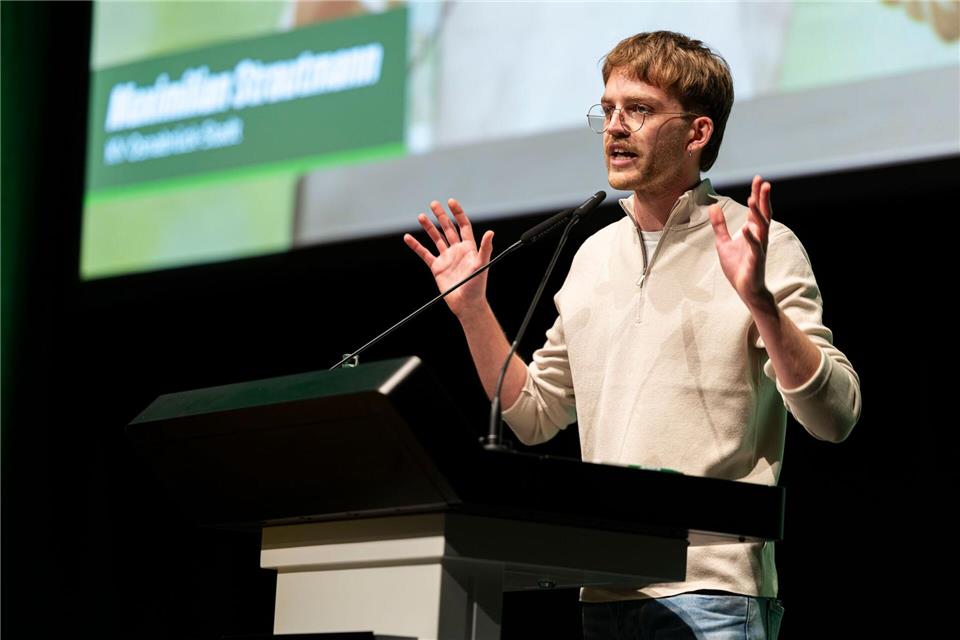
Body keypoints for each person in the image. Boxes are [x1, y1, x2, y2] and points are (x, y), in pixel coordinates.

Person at [403, 31, 861, 640]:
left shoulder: (764, 247)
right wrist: (472, 311)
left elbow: (837, 415)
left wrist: (762, 306)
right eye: (609, 110)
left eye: (639, 110)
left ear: (697, 133)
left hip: (713, 592)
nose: (615, 127)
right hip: (604, 589)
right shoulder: (592, 255)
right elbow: (534, 414)